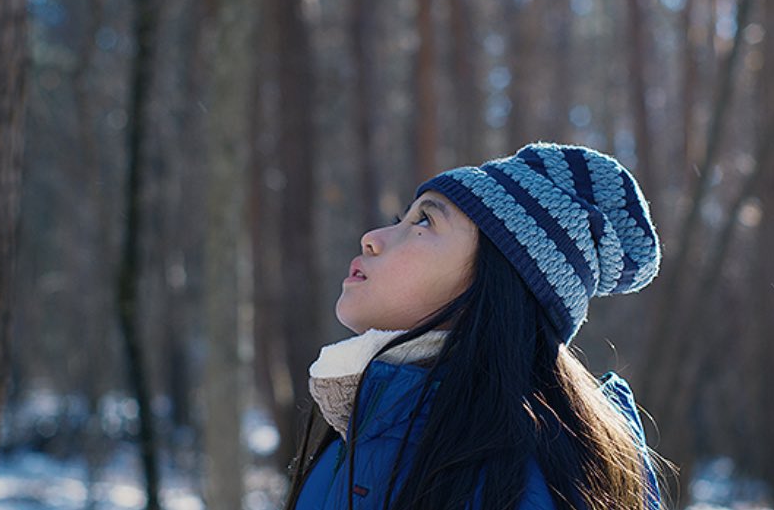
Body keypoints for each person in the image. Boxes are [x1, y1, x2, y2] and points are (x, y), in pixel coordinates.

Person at [284, 142, 666, 510]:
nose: (371, 239)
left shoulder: (521, 479)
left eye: (424, 221)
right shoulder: (369, 425)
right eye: (400, 219)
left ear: (493, 282)